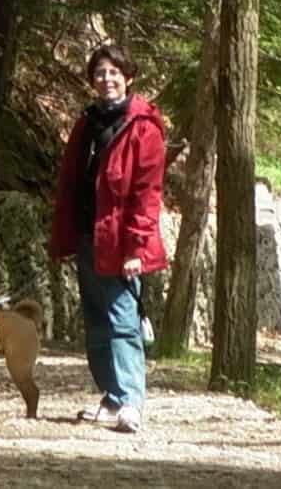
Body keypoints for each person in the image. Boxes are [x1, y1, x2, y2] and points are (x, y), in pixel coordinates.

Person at [50, 44, 167, 434]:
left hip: (121, 243)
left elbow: (147, 195)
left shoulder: (144, 129)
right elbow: (72, 184)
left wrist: (136, 248)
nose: (107, 79)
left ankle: (131, 401)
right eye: (100, 73)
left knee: (122, 322)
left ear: (128, 77)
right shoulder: (87, 124)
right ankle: (111, 397)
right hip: (89, 236)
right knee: (96, 320)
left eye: (114, 72)